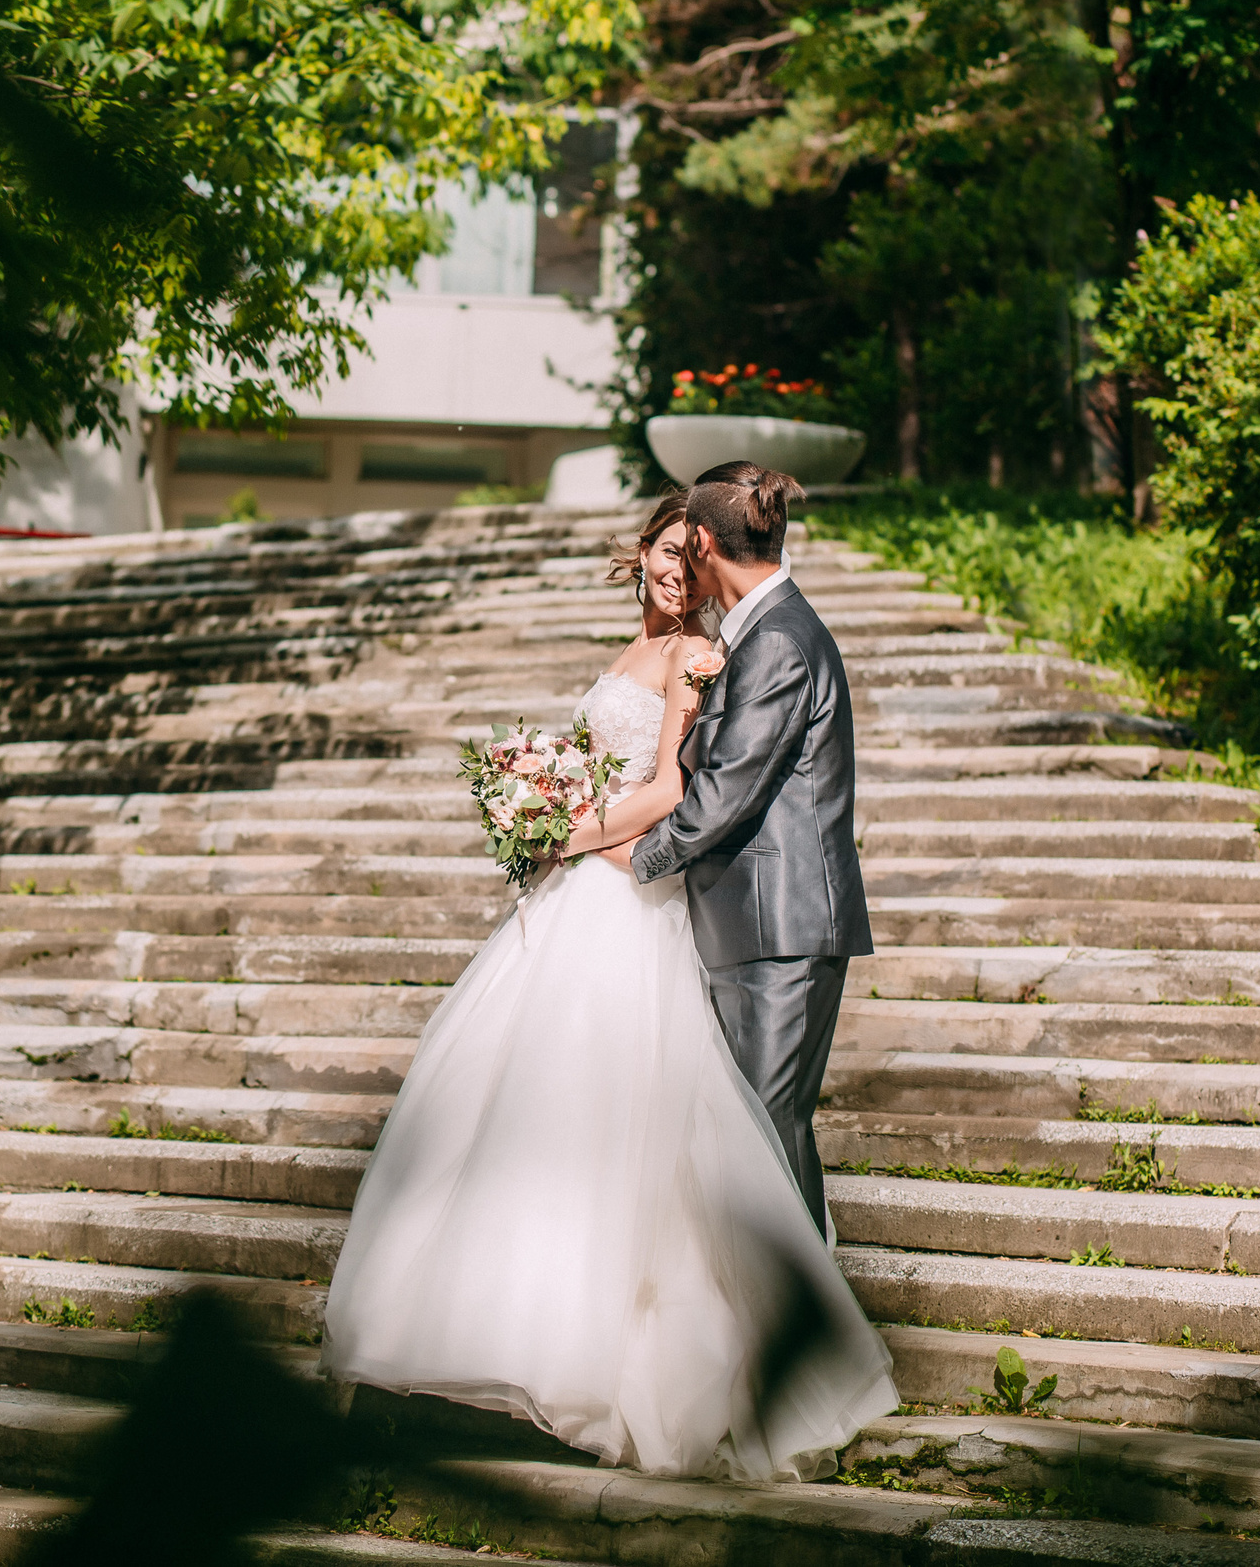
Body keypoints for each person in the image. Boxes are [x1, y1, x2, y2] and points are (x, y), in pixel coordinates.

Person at [320, 489, 896, 1481]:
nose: (673, 573)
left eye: (687, 558)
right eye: (660, 555)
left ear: (707, 559)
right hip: (580, 892)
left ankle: (724, 1344)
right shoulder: (629, 654)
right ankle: (478, 1330)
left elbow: (676, 791)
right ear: (638, 555)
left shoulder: (698, 656)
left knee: (634, 1119)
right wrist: (547, 806)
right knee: (512, 1108)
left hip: (626, 898)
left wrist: (563, 836)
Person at [627, 462, 871, 1236]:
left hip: (782, 931)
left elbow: (720, 796)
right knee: (761, 1141)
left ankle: (806, 1341)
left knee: (765, 1140)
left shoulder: (776, 641)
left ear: (699, 540)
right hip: (754, 930)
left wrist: (627, 861)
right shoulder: (764, 631)